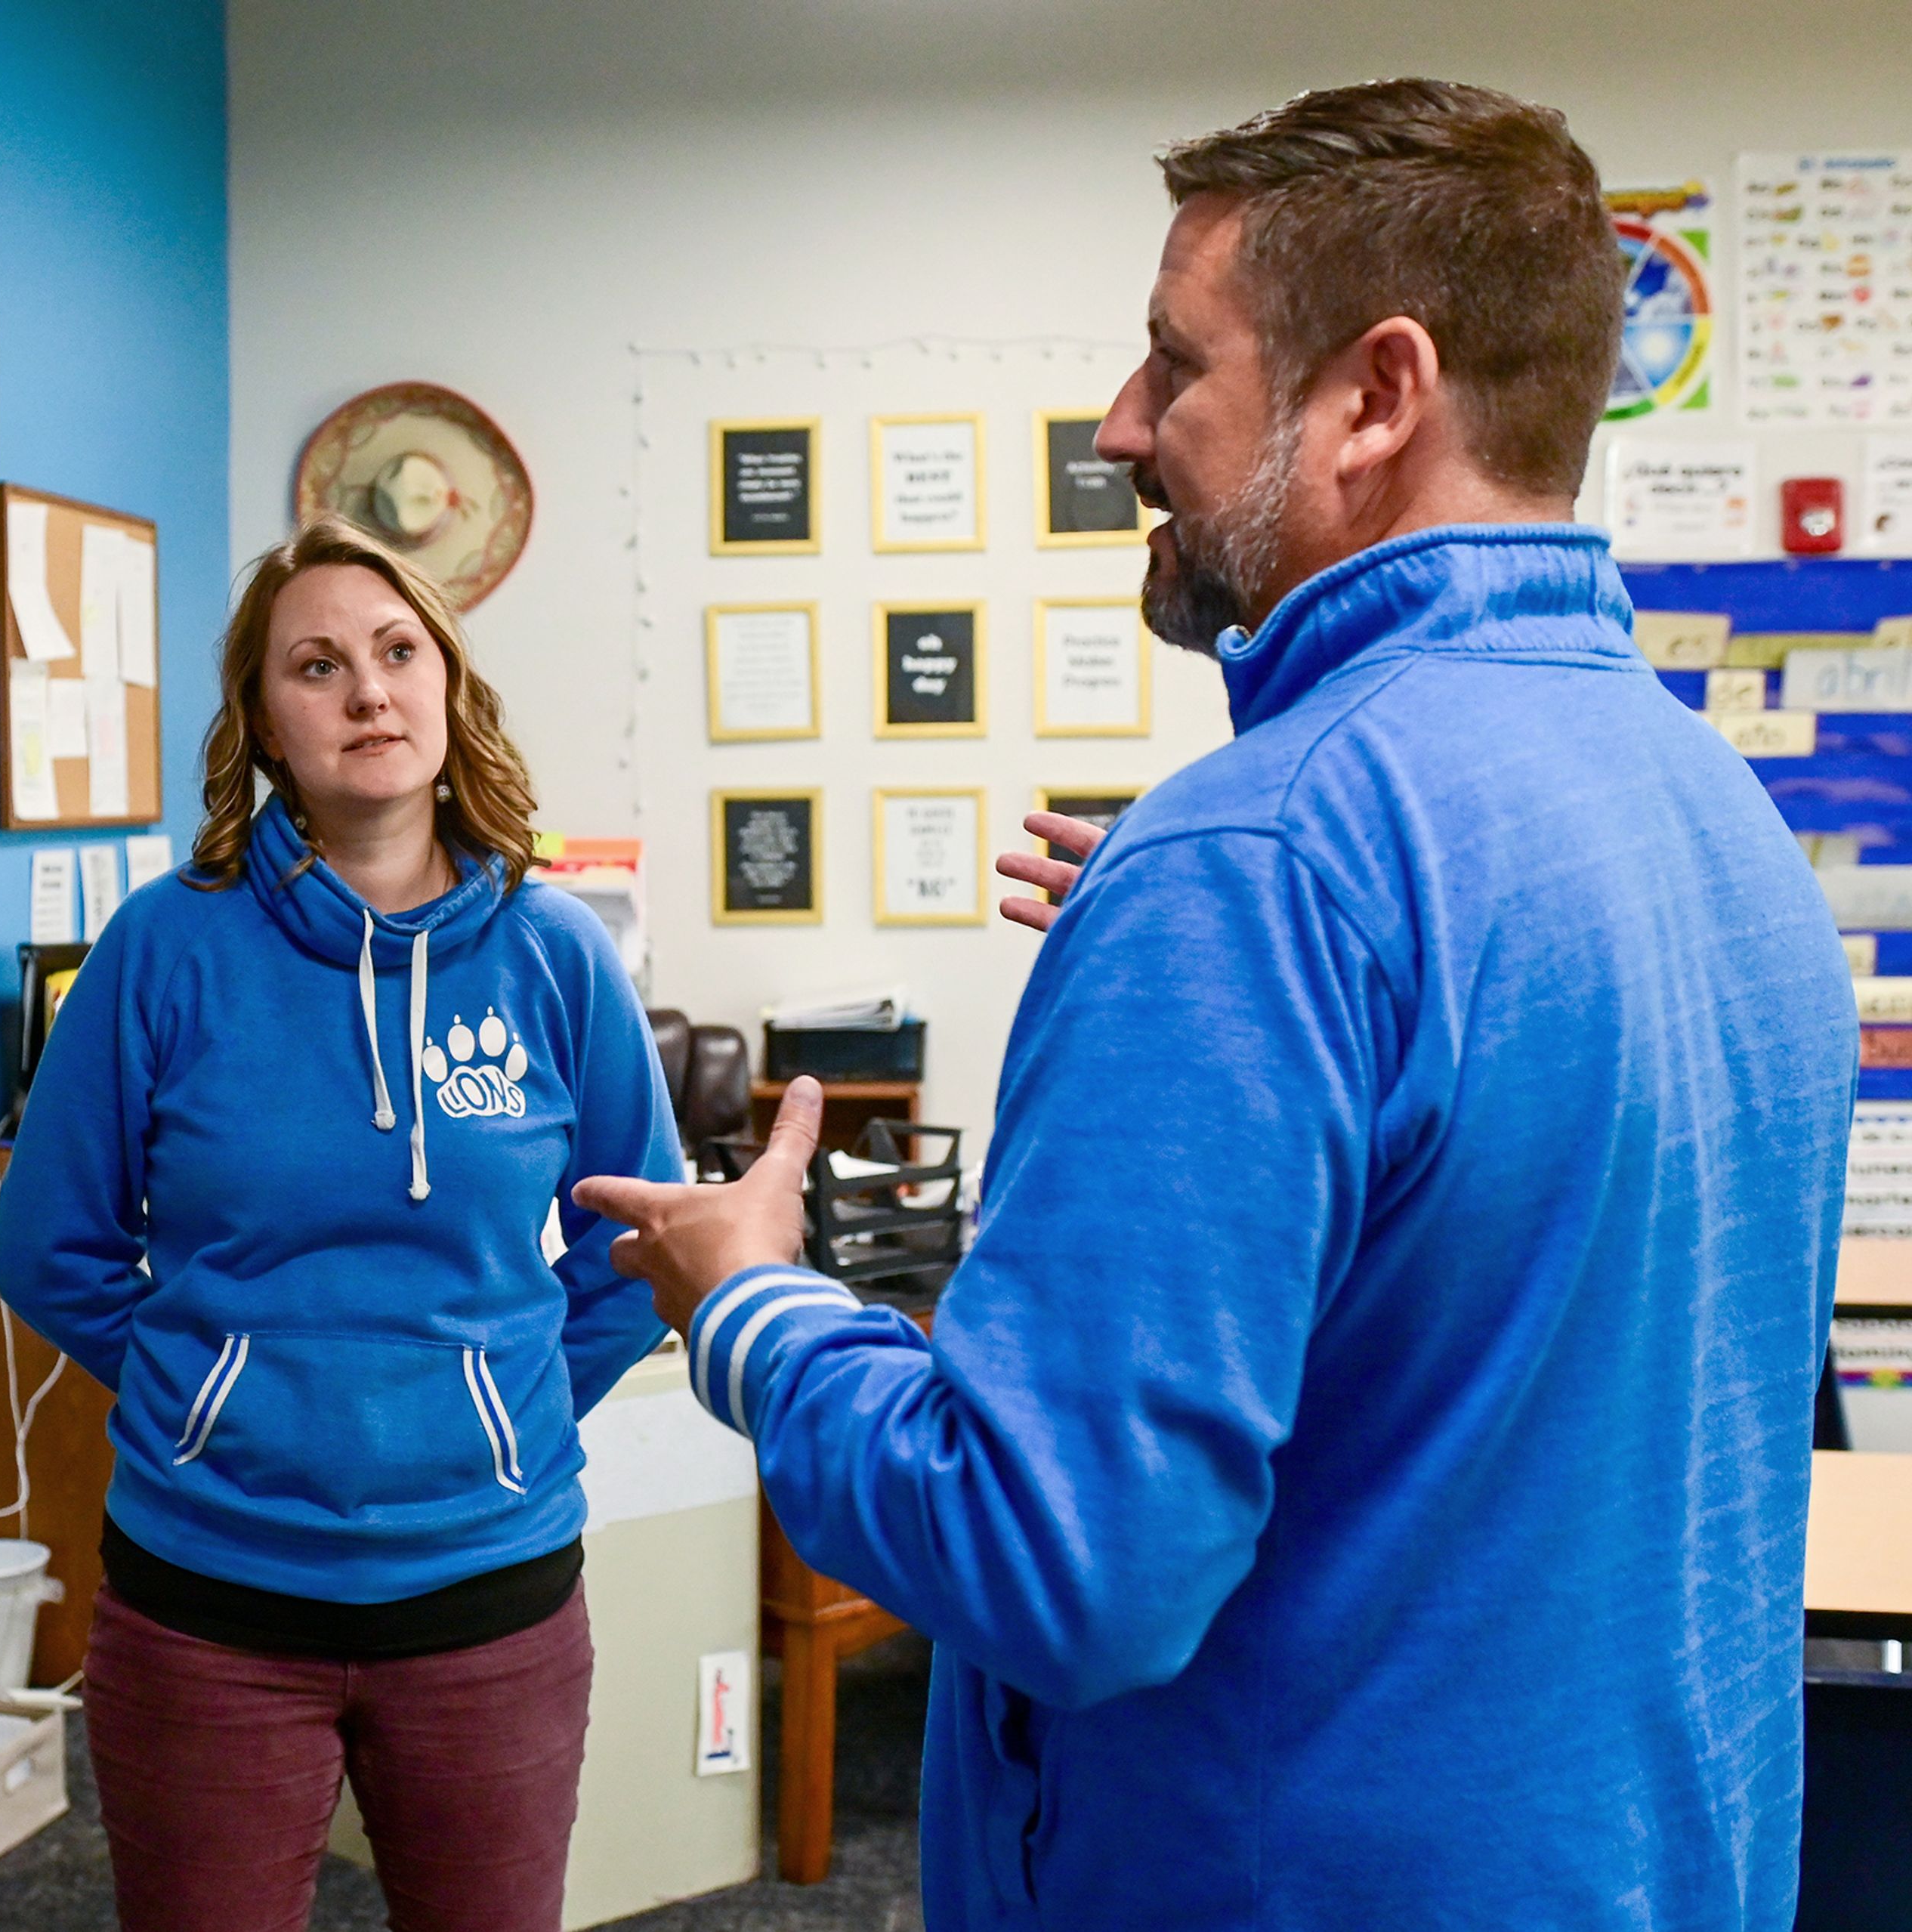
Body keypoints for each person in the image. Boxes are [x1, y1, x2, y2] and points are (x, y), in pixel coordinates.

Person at [575, 79, 1855, 1930]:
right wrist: (1233, 977)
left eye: (1173, 363)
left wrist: (753, 1308)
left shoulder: (1261, 861)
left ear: (1376, 397)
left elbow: (1059, 1567)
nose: (1118, 426)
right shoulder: (1703, 805)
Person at [0, 515, 683, 1932]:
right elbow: (48, 1243)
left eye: (396, 652)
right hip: (208, 1604)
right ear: (262, 721)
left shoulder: (558, 954)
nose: (368, 691)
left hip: (491, 1593)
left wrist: (516, 1401)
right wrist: (213, 1399)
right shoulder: (164, 948)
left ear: (448, 686)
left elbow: (641, 1241)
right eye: (317, 665)